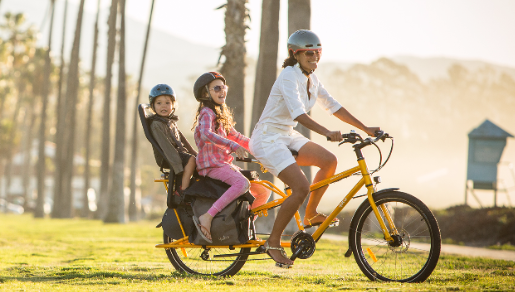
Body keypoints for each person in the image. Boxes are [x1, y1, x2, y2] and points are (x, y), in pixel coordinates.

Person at [250, 30, 379, 267]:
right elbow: (298, 113)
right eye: (309, 53)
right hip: (268, 138)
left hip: (287, 135)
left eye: (318, 52)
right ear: (294, 54)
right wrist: (327, 133)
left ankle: (310, 213)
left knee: (329, 161)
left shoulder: (311, 78)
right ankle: (273, 242)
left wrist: (365, 128)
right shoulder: (289, 76)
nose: (314, 57)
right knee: (300, 188)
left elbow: (333, 106)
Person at [191, 72, 269, 242]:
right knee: (242, 183)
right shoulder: (207, 113)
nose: (222, 91)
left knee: (262, 192)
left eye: (223, 87)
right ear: (206, 93)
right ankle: (208, 216)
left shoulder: (220, 114)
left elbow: (237, 137)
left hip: (224, 165)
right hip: (211, 166)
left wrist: (263, 151)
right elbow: (205, 133)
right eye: (217, 88)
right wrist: (232, 146)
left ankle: (242, 226)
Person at [147, 84, 197, 198]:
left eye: (167, 103)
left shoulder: (170, 122)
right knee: (191, 160)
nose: (163, 106)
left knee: (196, 159)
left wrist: (195, 153)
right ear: (153, 106)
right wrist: (178, 166)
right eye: (159, 103)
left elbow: (183, 140)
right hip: (168, 157)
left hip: (177, 154)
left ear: (173, 105)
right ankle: (182, 190)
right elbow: (166, 146)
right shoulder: (156, 124)